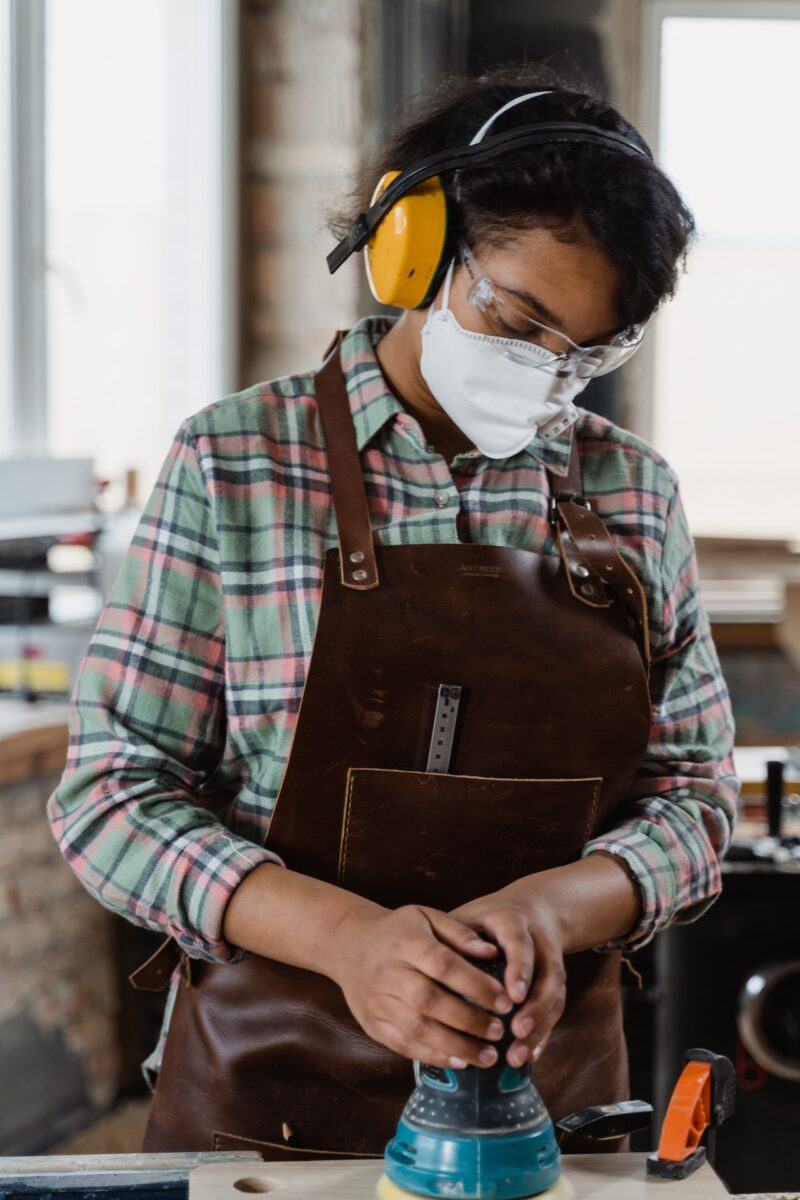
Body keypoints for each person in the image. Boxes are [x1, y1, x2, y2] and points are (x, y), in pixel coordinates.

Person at [47, 64, 738, 1157]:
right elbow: (109, 795)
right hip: (262, 1103)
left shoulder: (632, 493)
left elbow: (695, 799)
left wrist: (556, 911)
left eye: (584, 356)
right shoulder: (234, 464)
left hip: (547, 1105)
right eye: (514, 319)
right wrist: (346, 939)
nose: (541, 378)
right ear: (412, 247)